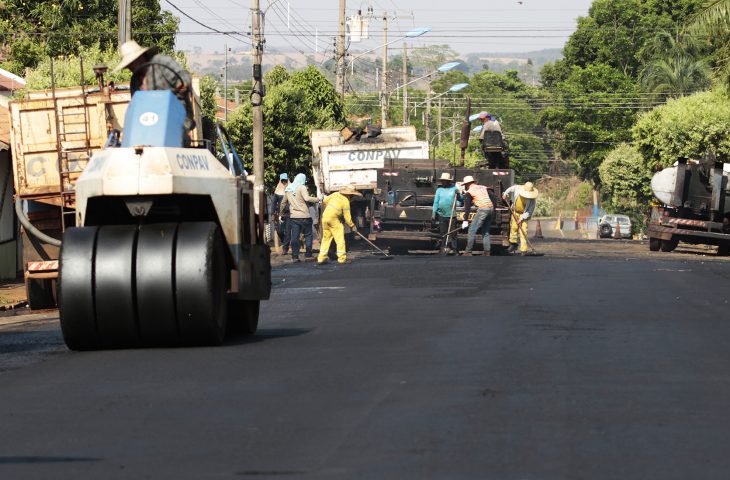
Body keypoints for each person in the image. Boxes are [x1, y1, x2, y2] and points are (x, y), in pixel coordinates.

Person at [114, 40, 194, 132]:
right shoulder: (134, 81)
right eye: (129, 65)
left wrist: (182, 84)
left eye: (132, 62)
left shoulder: (161, 62)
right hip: (151, 124)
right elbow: (136, 106)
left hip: (177, 120)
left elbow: (183, 76)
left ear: (141, 57)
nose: (131, 67)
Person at [317, 186, 362, 265]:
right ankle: (342, 259)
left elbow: (325, 201)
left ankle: (321, 258)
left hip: (325, 218)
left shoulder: (335, 194)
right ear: (350, 194)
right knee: (340, 240)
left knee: (326, 239)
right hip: (334, 219)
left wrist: (336, 209)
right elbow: (347, 217)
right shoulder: (346, 201)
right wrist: (353, 226)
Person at [280, 173, 318, 262]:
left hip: (294, 217)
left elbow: (283, 203)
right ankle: (308, 254)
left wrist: (281, 213)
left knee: (295, 237)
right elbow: (307, 198)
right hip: (305, 216)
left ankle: (295, 256)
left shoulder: (288, 189)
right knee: (308, 235)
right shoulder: (302, 187)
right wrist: (317, 199)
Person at [461, 175, 497, 256]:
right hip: (490, 208)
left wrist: (465, 220)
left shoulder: (469, 192)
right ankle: (487, 251)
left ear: (467, 184)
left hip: (483, 209)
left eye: (465, 185)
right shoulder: (483, 187)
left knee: (471, 230)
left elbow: (467, 208)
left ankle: (468, 251)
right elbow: (494, 198)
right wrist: (494, 210)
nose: (465, 187)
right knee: (485, 231)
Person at [502, 181, 539, 255]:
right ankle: (513, 244)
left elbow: (529, 212)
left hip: (524, 216)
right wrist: (505, 194)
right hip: (515, 212)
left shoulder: (532, 200)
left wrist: (521, 219)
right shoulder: (518, 188)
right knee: (513, 228)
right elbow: (511, 189)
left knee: (523, 232)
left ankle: (523, 250)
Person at [431, 172, 462, 255]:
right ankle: (443, 248)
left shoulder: (454, 189)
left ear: (448, 181)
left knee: (453, 233)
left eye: (445, 181)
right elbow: (436, 202)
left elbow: (461, 200)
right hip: (442, 214)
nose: (443, 182)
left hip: (452, 214)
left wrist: (458, 195)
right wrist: (433, 213)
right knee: (443, 233)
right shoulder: (439, 190)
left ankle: (455, 250)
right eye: (442, 181)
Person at [271, 173, 290, 255]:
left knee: (288, 231)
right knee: (279, 230)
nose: (284, 182)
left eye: (285, 180)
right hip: (280, 214)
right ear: (280, 180)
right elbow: (274, 203)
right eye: (282, 180)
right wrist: (272, 214)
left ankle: (285, 249)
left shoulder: (291, 188)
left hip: (290, 213)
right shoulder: (277, 191)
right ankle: (284, 242)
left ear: (287, 180)